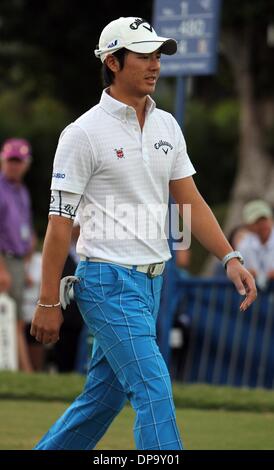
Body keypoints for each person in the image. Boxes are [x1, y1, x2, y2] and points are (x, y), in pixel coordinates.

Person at [31, 17, 257, 450]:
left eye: (158, 56)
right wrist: (47, 301)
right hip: (106, 282)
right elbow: (59, 225)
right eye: (144, 56)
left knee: (103, 398)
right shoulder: (82, 134)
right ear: (113, 62)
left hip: (154, 283)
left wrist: (231, 258)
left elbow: (190, 201)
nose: (155, 65)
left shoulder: (167, 125)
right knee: (154, 389)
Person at [0, 138, 34, 372]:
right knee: (13, 319)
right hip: (5, 260)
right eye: (11, 160)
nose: (14, 165)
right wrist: (1, 269)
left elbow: (27, 231)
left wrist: (26, 264)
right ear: (3, 160)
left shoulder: (22, 192)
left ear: (26, 164)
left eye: (18, 161)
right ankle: (24, 371)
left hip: (18, 262)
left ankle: (23, 371)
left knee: (18, 320)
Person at [238, 199, 274, 290]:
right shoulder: (244, 245)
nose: (262, 225)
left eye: (264, 219)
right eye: (256, 222)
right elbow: (239, 273)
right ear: (248, 225)